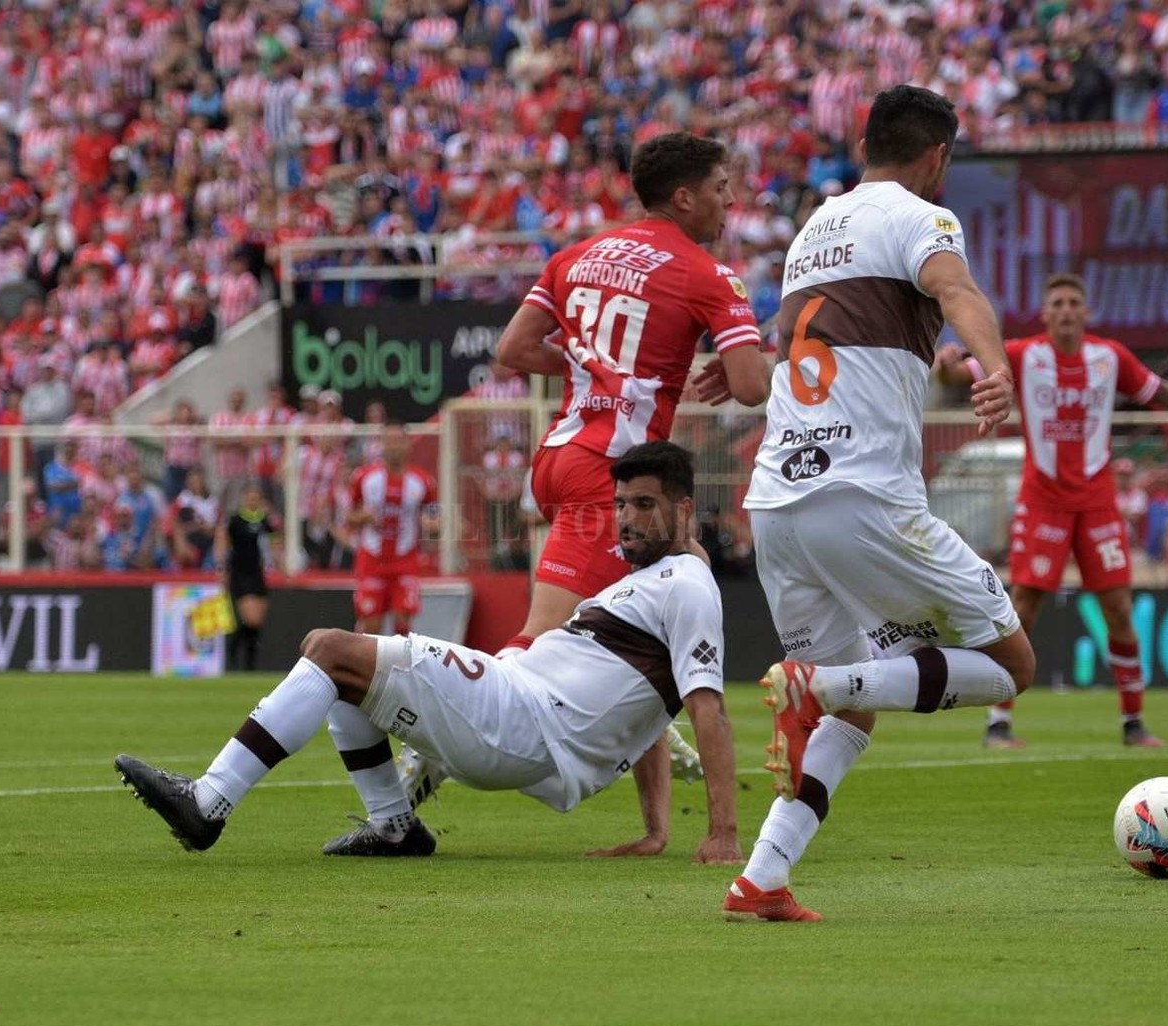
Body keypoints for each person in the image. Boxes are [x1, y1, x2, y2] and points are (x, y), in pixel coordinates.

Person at [703, 86, 1033, 923]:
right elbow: (955, 290)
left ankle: (761, 878)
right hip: (862, 495)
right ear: (935, 158)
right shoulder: (921, 216)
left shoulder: (816, 228)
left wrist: (946, 366)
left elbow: (840, 341)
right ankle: (820, 680)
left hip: (777, 503)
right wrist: (993, 363)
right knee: (1011, 666)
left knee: (853, 709)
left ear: (865, 144)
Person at [115, 441, 742, 864]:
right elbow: (650, 709)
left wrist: (723, 833)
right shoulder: (654, 581)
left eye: (644, 505)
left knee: (330, 649)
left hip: (521, 717)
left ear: (683, 509)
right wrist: (657, 831)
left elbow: (705, 707)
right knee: (338, 668)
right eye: (620, 505)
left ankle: (209, 803)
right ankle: (394, 825)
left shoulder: (686, 587)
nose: (626, 519)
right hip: (520, 713)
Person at [491, 131, 769, 853]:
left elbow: (514, 351)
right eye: (719, 187)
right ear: (684, 196)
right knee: (538, 642)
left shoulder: (575, 254)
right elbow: (749, 385)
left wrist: (594, 370)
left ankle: (653, 828)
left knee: (637, 644)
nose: (729, 200)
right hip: (614, 477)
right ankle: (427, 746)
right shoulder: (707, 272)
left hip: (558, 456)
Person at [937, 273, 1168, 749]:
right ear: (1046, 314)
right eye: (1058, 303)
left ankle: (1133, 723)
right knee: (1023, 607)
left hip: (1096, 503)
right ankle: (998, 723)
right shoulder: (1023, 354)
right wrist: (946, 366)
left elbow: (1162, 393)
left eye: (1074, 302)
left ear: (1086, 312)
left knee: (1118, 609)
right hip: (1043, 500)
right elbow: (960, 372)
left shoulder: (1109, 358)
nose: (1067, 310)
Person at [342, 420, 437, 637]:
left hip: (405, 560)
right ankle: (366, 669)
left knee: (403, 624)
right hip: (371, 559)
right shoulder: (364, 477)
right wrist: (362, 517)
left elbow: (434, 517)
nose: (394, 446)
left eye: (398, 440)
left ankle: (400, 670)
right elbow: (347, 515)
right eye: (389, 441)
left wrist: (433, 526)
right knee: (371, 626)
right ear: (382, 445)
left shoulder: (423, 481)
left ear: (408, 444)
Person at [217, 483, 276, 672]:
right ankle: (234, 647)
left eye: (256, 497)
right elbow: (223, 541)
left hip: (257, 573)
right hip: (240, 572)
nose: (253, 501)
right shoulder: (235, 521)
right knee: (250, 618)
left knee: (258, 621)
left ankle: (250, 664)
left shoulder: (264, 521)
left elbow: (275, 539)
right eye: (250, 497)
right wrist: (222, 567)